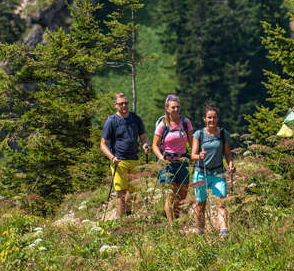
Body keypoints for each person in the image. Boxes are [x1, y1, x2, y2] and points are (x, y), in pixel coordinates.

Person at [100, 92, 151, 219]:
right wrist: (112, 157)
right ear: (116, 105)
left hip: (134, 159)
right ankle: (119, 221)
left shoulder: (136, 119)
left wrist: (145, 146)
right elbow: (103, 144)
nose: (124, 105)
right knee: (121, 193)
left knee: (133, 193)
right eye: (121, 103)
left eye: (126, 103)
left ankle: (128, 216)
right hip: (119, 161)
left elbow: (143, 137)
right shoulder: (111, 121)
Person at [190, 104, 234, 237]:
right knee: (200, 204)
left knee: (221, 203)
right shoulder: (199, 134)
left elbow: (227, 154)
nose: (212, 120)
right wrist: (200, 156)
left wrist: (231, 164)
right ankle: (199, 232)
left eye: (214, 117)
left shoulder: (223, 134)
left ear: (218, 119)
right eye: (209, 117)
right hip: (200, 173)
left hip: (218, 173)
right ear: (204, 119)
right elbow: (192, 155)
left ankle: (224, 231)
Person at [152, 94, 194, 226]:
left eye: (178, 107)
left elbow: (192, 142)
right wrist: (160, 158)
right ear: (167, 109)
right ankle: (172, 227)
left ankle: (178, 219)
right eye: (173, 107)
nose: (176, 109)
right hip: (167, 164)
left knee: (182, 196)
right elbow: (155, 145)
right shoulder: (163, 125)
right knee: (170, 196)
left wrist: (197, 155)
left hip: (182, 162)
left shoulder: (186, 122)